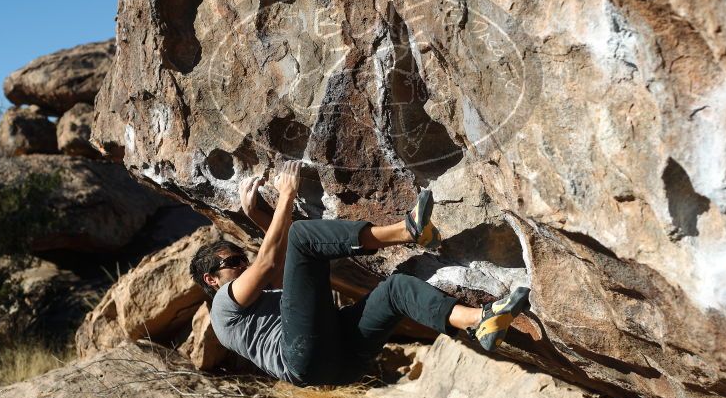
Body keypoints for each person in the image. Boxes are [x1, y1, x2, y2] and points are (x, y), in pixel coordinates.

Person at [190, 160, 530, 386]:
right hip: (302, 355)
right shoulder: (223, 306)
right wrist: (287, 193)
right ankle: (406, 231)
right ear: (212, 279)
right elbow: (271, 258)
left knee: (396, 290)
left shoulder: (261, 300)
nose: (242, 264)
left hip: (336, 361)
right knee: (302, 237)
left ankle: (479, 320)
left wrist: (255, 214)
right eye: (233, 262)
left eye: (241, 258)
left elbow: (291, 263)